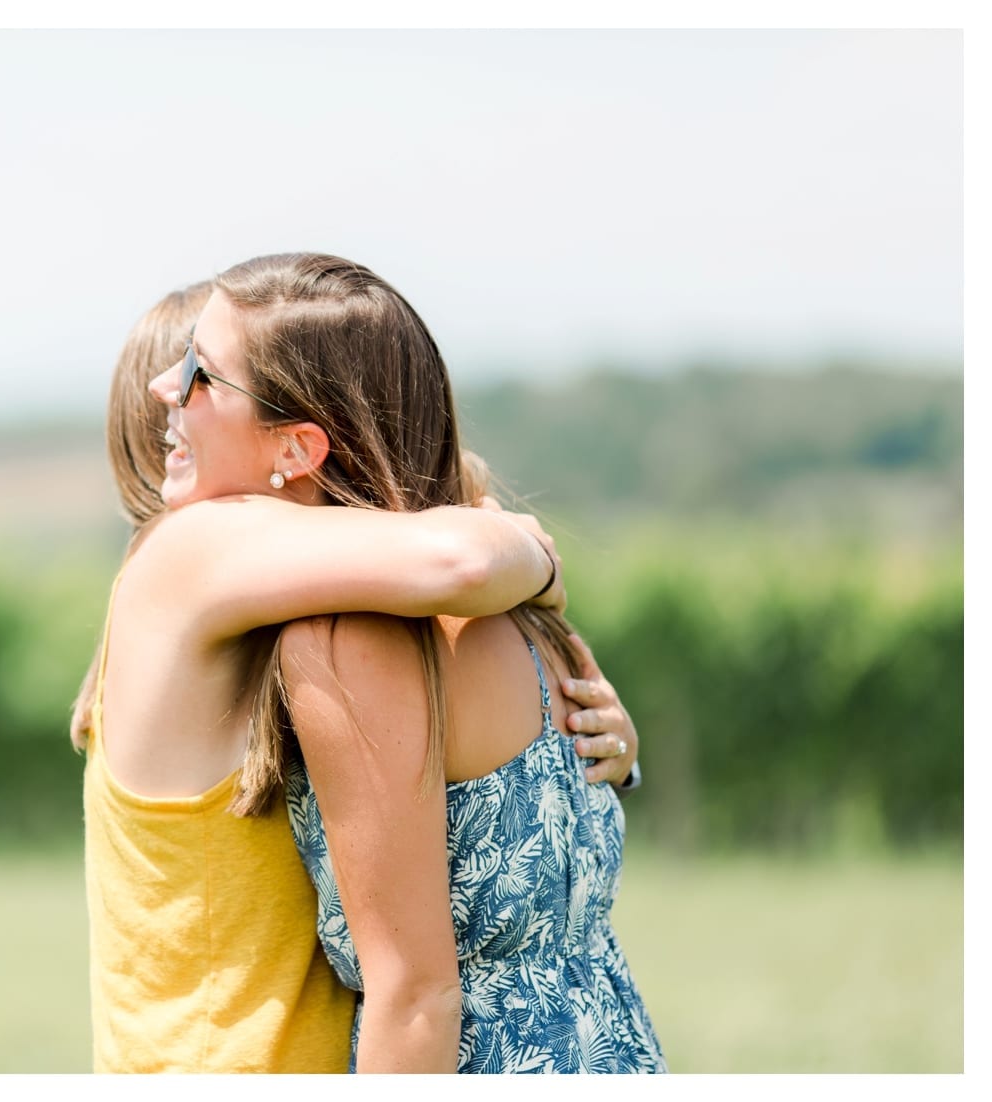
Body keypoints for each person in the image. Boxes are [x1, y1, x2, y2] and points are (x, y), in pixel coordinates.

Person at [77, 259, 642, 1074]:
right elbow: (457, 556)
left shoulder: (341, 624)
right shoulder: (192, 554)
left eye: (201, 375)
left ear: (298, 441)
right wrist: (539, 559)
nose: (172, 392)